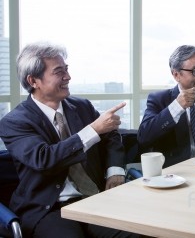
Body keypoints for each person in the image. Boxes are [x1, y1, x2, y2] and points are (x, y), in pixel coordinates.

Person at [0, 42, 143, 237]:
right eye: (59, 72)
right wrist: (93, 130)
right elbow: (44, 159)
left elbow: (110, 135)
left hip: (93, 199)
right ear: (34, 81)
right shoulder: (14, 122)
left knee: (136, 233)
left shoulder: (81, 106)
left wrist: (115, 171)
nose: (68, 77)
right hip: (49, 208)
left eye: (66, 69)